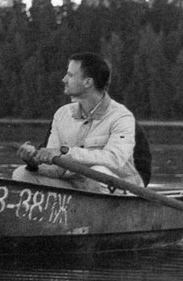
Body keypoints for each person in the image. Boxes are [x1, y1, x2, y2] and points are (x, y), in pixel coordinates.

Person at [11, 52, 139, 193]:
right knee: (22, 174)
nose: (64, 79)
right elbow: (55, 168)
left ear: (88, 82)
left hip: (118, 191)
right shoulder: (62, 114)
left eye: (70, 75)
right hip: (73, 187)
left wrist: (66, 152)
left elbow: (115, 159)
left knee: (98, 173)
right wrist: (34, 163)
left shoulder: (121, 117)